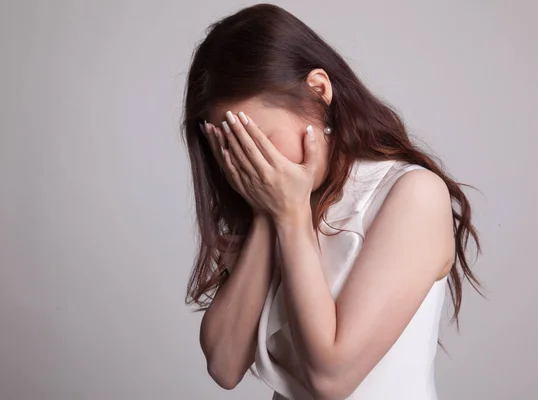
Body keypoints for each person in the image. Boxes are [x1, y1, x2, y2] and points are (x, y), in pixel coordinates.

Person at [182, 4, 480, 400]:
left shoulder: (412, 195)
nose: (253, 164)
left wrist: (289, 216)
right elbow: (223, 364)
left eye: (260, 141)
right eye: (232, 148)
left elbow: (331, 381)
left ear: (319, 91)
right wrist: (271, 214)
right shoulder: (278, 204)